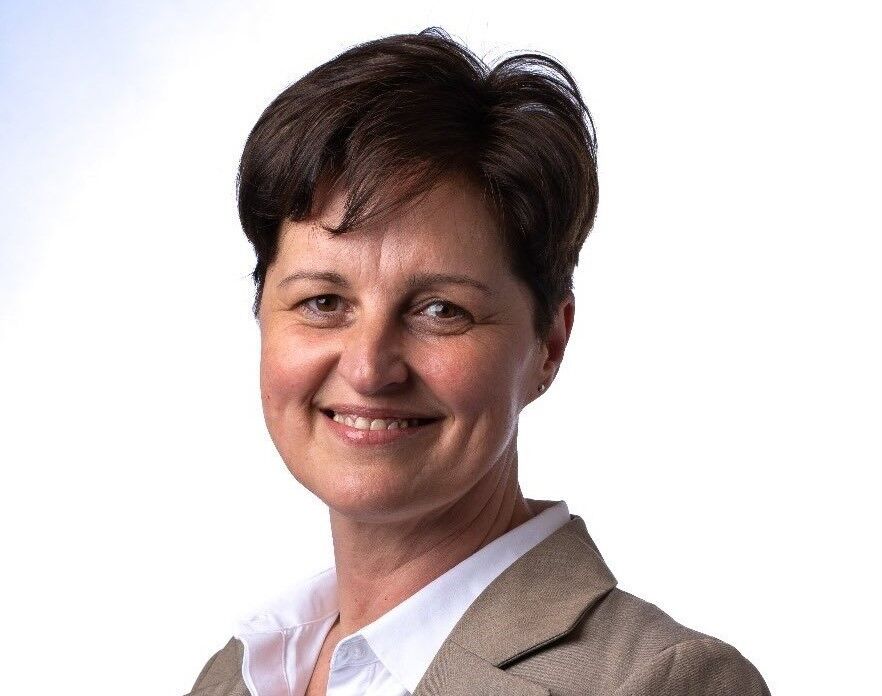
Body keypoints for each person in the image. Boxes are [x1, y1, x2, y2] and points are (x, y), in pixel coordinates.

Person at [186, 28, 770, 696]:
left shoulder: (658, 681)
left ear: (548, 345)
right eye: (323, 302)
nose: (370, 368)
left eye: (441, 310)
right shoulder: (235, 677)